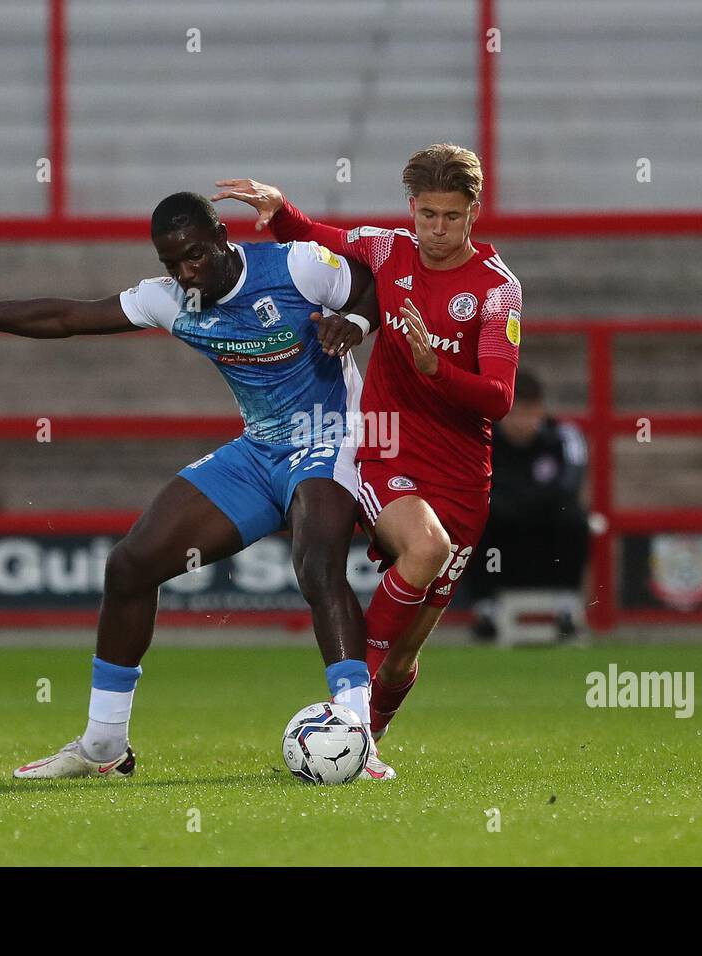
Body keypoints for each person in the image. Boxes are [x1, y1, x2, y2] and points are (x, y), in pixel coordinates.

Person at [0, 192, 382, 779]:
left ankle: (358, 739)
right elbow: (65, 317)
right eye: (171, 261)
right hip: (258, 449)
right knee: (129, 565)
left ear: (223, 235)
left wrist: (353, 321)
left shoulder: (295, 265)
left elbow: (372, 281)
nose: (186, 272)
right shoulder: (167, 299)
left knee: (317, 565)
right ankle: (103, 747)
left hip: (330, 436)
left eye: (195, 255)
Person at [214, 143, 522, 779]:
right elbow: (319, 237)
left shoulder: (497, 291)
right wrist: (279, 209)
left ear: (474, 214)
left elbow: (499, 398)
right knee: (425, 548)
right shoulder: (389, 249)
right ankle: (346, 713)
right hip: (384, 444)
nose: (436, 229)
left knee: (405, 658)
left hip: (464, 473)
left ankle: (363, 743)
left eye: (451, 216)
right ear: (412, 207)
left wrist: (439, 370)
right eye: (427, 213)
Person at [464, 367, 590, 640]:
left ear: (540, 410)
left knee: (574, 517)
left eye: (528, 412)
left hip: (547, 546)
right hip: (502, 548)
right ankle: (485, 609)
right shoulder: (482, 440)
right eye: (514, 413)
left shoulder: (563, 438)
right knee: (475, 517)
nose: (521, 421)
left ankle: (567, 607)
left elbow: (568, 487)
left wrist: (522, 500)